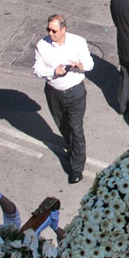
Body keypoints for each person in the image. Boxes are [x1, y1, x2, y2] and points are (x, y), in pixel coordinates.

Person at [33, 14, 96, 184]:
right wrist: (54, 71)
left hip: (75, 92)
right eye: (48, 29)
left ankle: (77, 168)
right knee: (63, 125)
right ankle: (72, 146)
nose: (50, 33)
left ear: (63, 30)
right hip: (54, 92)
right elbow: (37, 69)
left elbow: (90, 65)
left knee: (76, 129)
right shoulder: (42, 45)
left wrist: (79, 65)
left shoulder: (78, 42)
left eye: (53, 30)